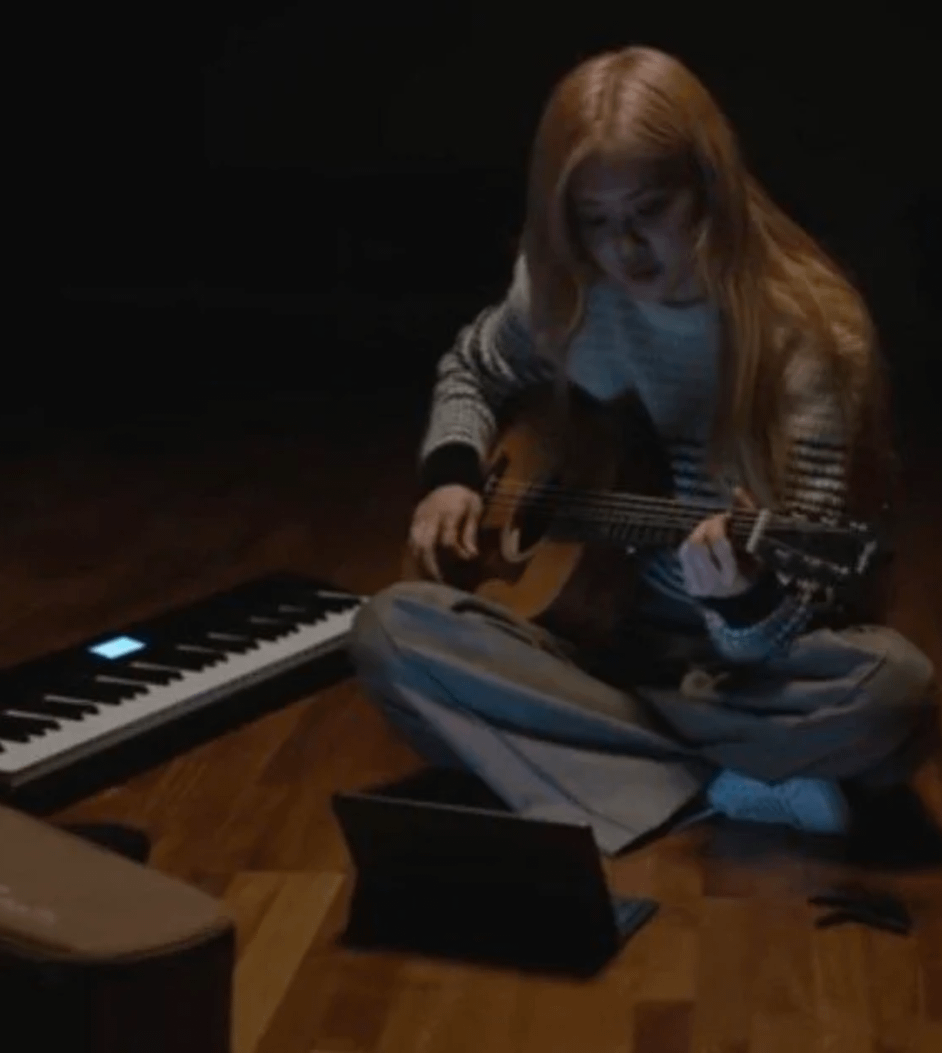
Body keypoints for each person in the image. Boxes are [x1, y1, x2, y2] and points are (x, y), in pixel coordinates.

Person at [348, 46, 937, 856]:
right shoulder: (562, 290)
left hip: (734, 673)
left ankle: (588, 762)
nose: (624, 249)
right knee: (389, 630)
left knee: (892, 690)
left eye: (650, 211)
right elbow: (472, 369)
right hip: (583, 645)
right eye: (594, 222)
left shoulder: (809, 335)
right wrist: (451, 476)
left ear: (711, 186)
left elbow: (800, 603)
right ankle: (730, 783)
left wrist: (741, 599)